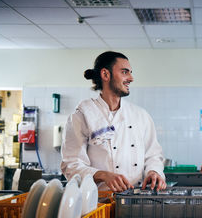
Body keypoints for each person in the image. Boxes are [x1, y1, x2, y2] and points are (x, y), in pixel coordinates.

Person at [61, 51, 166, 192]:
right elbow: (71, 164)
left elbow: (153, 155)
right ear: (105, 75)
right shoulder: (82, 115)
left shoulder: (140, 115)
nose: (131, 78)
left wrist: (154, 171)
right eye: (125, 72)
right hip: (98, 202)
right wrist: (103, 175)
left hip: (137, 200)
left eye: (130, 72)